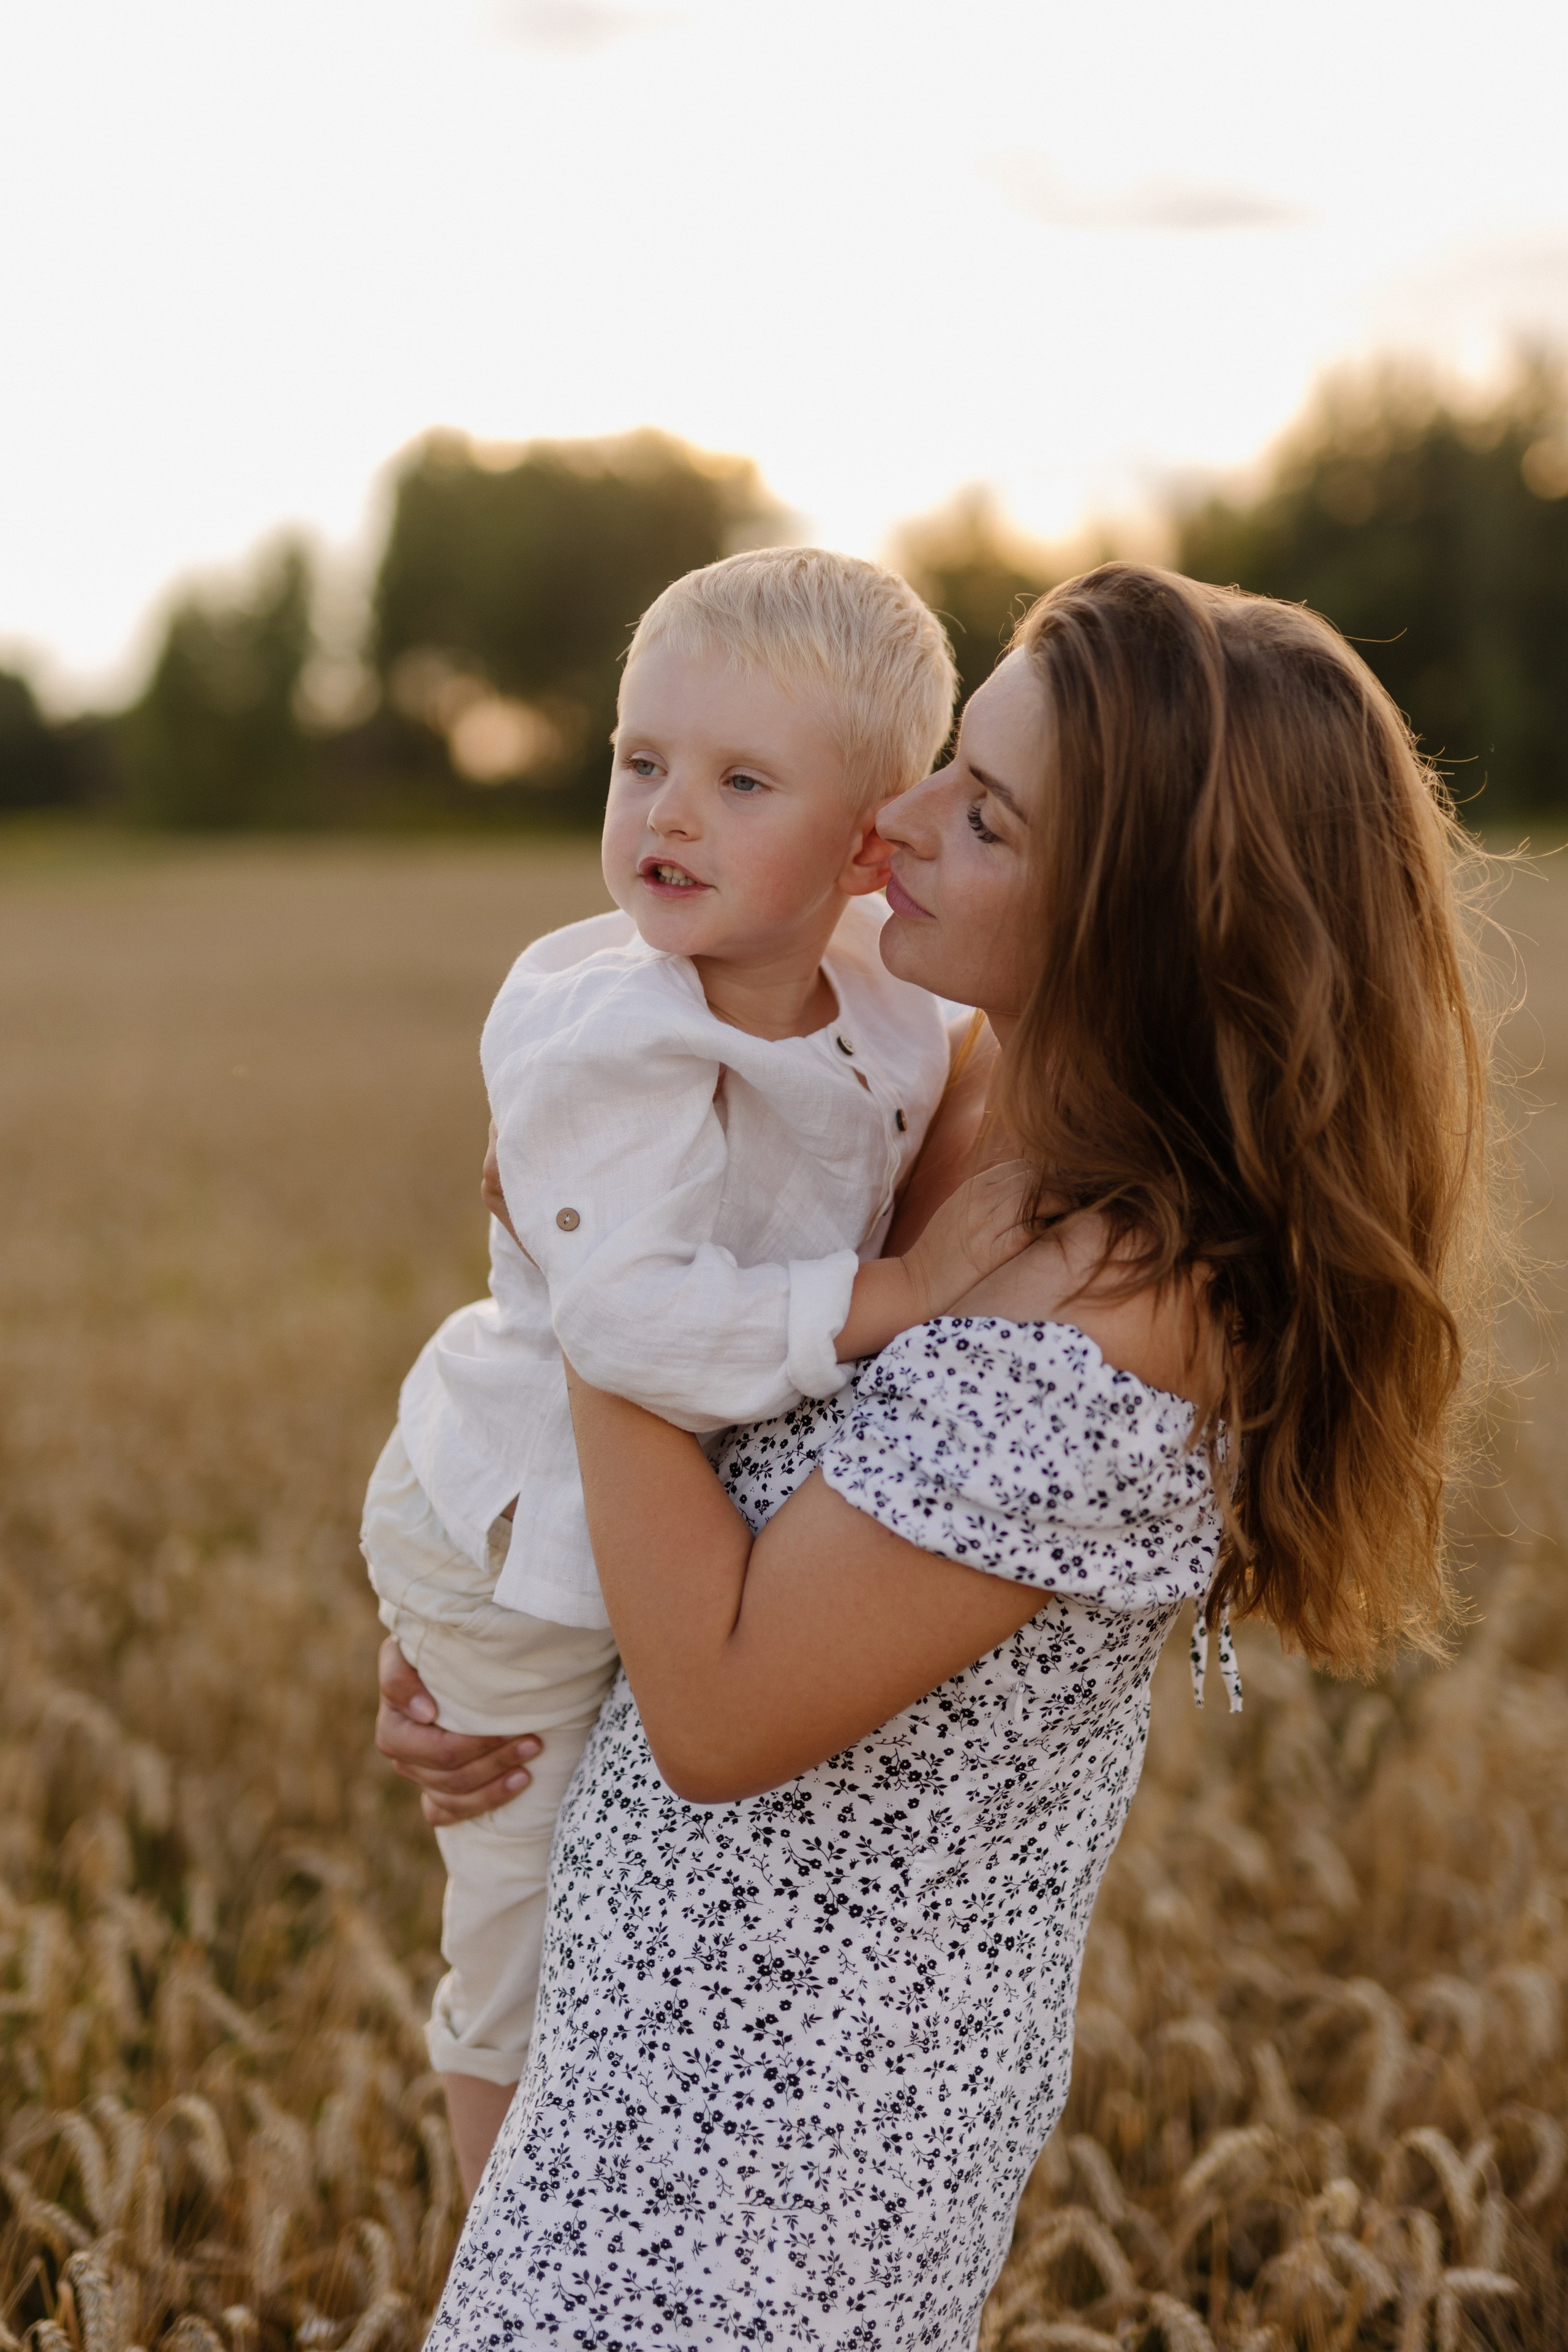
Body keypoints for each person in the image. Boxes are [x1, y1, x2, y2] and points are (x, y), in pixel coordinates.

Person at [380, 563, 1502, 2351]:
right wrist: (500, 1625)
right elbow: (729, 1488)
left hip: (773, 2178)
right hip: (638, 2067)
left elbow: (732, 1713)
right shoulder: (949, 1087)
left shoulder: (1129, 1296)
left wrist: (604, 1289)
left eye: (978, 811)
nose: (888, 823)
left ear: (1135, 916)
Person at [361, 546, 1036, 2194]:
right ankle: (492, 2230)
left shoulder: (885, 1003)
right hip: (524, 1540)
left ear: (870, 839)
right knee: (520, 1920)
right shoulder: (627, 1039)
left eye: (741, 782)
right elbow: (628, 1332)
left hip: (630, 1542)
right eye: (640, 759)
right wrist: (888, 1291)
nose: (667, 814)